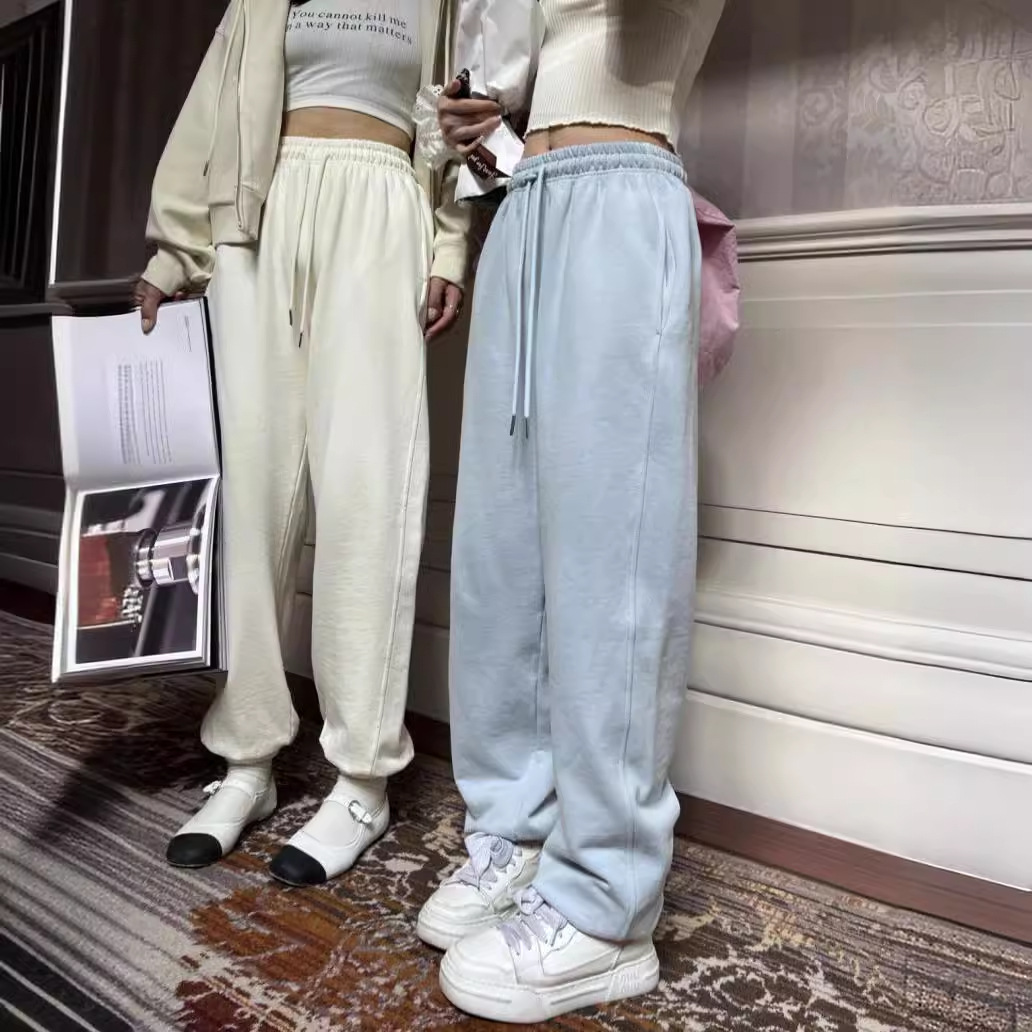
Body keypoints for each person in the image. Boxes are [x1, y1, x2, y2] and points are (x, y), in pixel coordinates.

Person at [416, 0, 727, 1021]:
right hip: (526, 204)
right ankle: (517, 828)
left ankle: (609, 905)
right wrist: (489, 125)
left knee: (610, 561)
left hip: (624, 193)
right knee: (499, 556)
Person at [135, 0, 472, 887]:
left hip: (383, 207)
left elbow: (454, 121)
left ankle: (363, 779)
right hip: (261, 216)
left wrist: (450, 248)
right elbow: (212, 109)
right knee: (253, 494)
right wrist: (173, 255)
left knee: (370, 491)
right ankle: (246, 761)